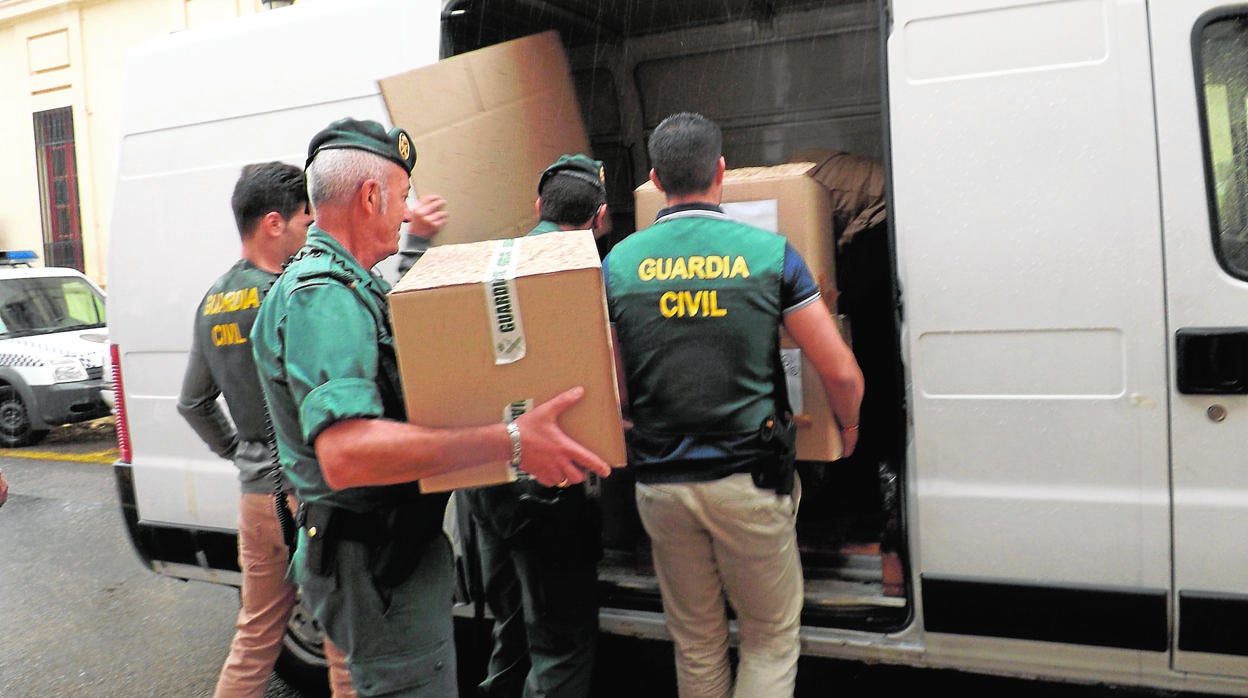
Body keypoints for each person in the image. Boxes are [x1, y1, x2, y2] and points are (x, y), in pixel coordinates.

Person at [249, 117, 613, 697]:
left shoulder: (350, 285)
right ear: (370, 197)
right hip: (375, 561)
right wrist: (512, 441)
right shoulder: (324, 296)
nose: (407, 209)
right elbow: (347, 454)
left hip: (384, 553)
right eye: (401, 195)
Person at [602, 112, 865, 698]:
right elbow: (841, 371)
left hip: (661, 483)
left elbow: (615, 388)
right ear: (721, 170)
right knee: (769, 638)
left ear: (655, 178)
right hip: (749, 476)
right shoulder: (770, 255)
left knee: (696, 642)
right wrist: (847, 427)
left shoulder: (618, 264)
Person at [176, 161, 357, 698]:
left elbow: (192, 402)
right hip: (311, 489)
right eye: (306, 219)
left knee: (255, 640)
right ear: (274, 223)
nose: (312, 231)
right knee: (344, 645)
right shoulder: (292, 296)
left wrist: (240, 451)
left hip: (258, 497)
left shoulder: (213, 300)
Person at [460, 154, 610, 698]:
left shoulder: (482, 267)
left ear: (538, 206)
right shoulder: (585, 275)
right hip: (547, 490)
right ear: (599, 216)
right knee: (562, 646)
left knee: (513, 627)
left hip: (484, 480)